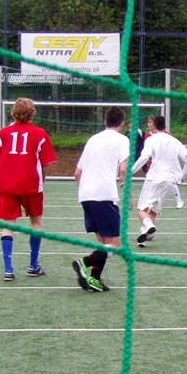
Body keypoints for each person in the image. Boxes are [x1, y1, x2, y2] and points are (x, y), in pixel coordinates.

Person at [0, 97, 56, 282]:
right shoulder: (40, 133)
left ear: (13, 113)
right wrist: (42, 179)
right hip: (31, 184)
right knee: (36, 224)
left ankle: (8, 269)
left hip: (7, 185)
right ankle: (33, 265)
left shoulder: (3, 134)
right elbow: (46, 163)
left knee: (8, 226)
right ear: (32, 113)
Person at [72, 106, 131, 292]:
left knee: (104, 243)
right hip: (104, 194)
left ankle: (95, 279)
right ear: (122, 123)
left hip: (86, 195)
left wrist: (86, 193)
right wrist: (129, 195)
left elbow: (77, 173)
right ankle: (84, 262)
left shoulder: (92, 139)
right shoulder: (122, 140)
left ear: (105, 121)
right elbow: (123, 169)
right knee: (115, 245)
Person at [132, 114, 187, 247]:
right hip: (168, 181)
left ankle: (147, 225)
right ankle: (143, 238)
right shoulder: (175, 141)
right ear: (164, 126)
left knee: (141, 210)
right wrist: (182, 177)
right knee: (153, 211)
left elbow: (145, 157)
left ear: (154, 125)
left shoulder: (151, 139)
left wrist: (130, 172)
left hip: (153, 177)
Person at [146, 114, 185, 208]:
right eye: (149, 122)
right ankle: (152, 202)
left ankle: (179, 201)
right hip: (154, 163)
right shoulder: (147, 136)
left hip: (166, 163)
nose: (150, 124)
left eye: (152, 122)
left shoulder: (166, 135)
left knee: (170, 181)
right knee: (153, 182)